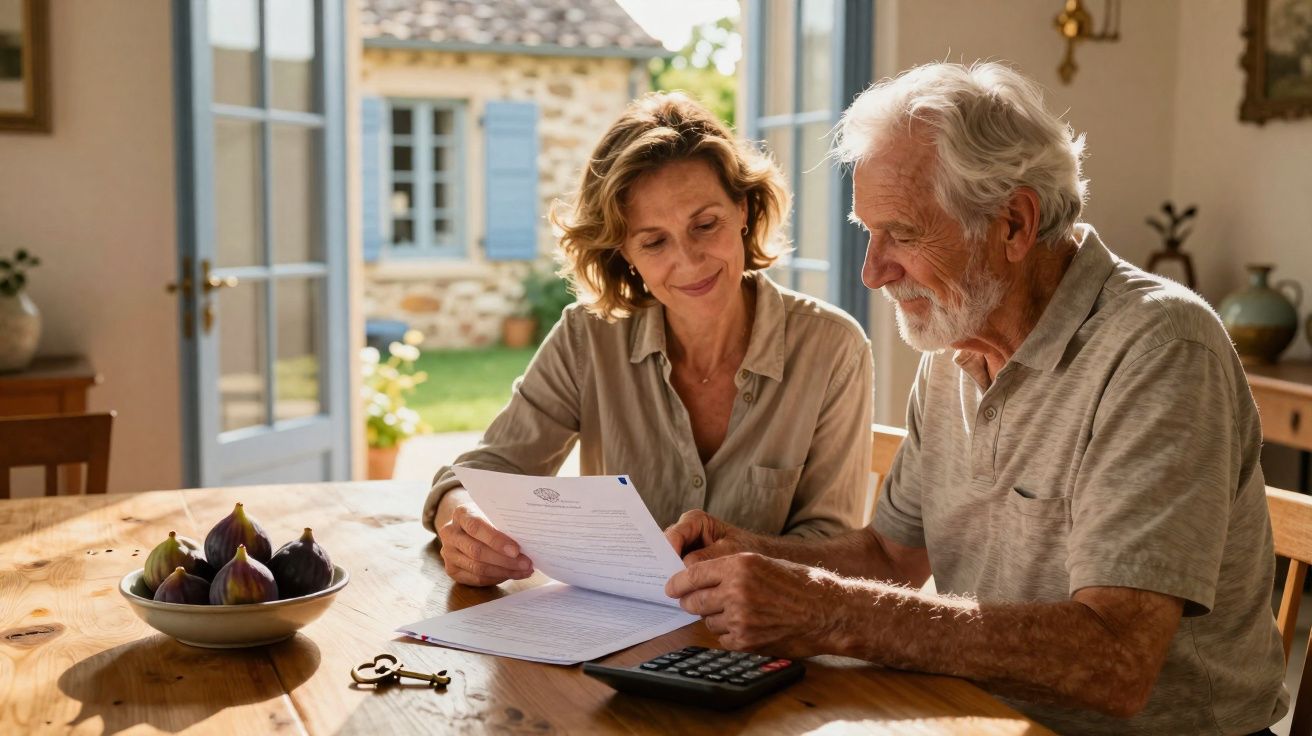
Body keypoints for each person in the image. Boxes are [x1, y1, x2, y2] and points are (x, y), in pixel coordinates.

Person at [662, 62, 1288, 735]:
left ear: (1014, 224)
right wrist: (751, 558)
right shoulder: (955, 343)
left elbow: (1115, 659)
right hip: (984, 719)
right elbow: (892, 557)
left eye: (902, 233)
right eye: (867, 233)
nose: (873, 271)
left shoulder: (1161, 348)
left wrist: (829, 612)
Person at [424, 92, 873, 590]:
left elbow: (836, 545)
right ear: (626, 253)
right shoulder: (587, 337)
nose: (689, 260)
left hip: (762, 642)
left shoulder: (833, 349)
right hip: (612, 637)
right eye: (655, 241)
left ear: (742, 209)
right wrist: (461, 520)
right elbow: (486, 471)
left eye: (705, 225)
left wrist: (738, 554)